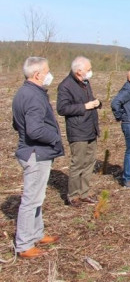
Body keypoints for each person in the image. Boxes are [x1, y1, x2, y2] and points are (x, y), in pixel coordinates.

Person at [12, 57, 64, 258]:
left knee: (37, 196)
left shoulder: (24, 92)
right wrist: (55, 137)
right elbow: (34, 130)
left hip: (33, 151)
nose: (49, 75)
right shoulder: (33, 96)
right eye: (47, 71)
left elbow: (17, 124)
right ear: (37, 74)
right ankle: (24, 245)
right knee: (31, 200)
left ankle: (37, 233)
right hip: (36, 153)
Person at [57, 56, 101, 207]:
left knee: (89, 162)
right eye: (88, 70)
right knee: (78, 164)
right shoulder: (65, 86)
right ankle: (74, 196)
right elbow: (62, 109)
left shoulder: (85, 82)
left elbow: (89, 100)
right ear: (78, 71)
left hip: (90, 129)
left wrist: (96, 103)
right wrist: (85, 106)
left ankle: (85, 193)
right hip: (78, 131)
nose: (90, 72)